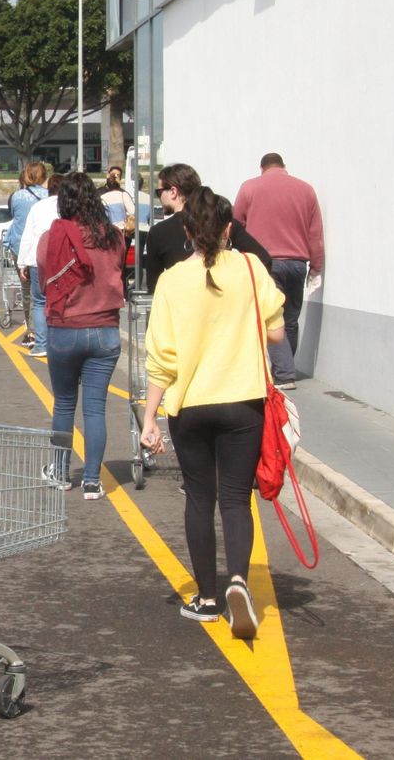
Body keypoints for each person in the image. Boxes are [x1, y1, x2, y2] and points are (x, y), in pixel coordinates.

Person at [140, 187, 286, 640]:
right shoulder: (249, 266)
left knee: (199, 498)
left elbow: (161, 357)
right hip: (242, 400)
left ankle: (205, 598)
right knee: (236, 498)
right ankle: (238, 582)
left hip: (191, 404)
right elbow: (277, 334)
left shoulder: (172, 280)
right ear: (228, 228)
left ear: (186, 231)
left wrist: (150, 418)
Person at [38, 174, 127, 499]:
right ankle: (92, 480)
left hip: (64, 328)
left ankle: (61, 473)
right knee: (95, 408)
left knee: (63, 404)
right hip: (104, 329)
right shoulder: (113, 237)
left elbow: (44, 277)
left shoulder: (53, 237)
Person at [233, 152, 323, 388]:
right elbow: (315, 231)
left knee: (273, 316)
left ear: (261, 168)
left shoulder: (249, 188)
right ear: (284, 166)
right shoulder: (306, 190)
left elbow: (234, 224)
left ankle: (284, 375)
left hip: (266, 262)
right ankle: (286, 367)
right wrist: (317, 265)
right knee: (290, 319)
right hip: (297, 263)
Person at [143, 163, 272, 290]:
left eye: (159, 192)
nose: (159, 197)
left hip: (184, 305)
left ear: (173, 191)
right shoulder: (223, 221)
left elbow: (154, 285)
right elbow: (264, 260)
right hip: (224, 300)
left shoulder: (158, 232)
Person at [14, 174, 62, 357]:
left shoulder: (37, 207)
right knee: (60, 300)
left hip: (37, 260)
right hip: (61, 259)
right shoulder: (67, 206)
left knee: (40, 301)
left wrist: (22, 263)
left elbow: (28, 236)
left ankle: (41, 344)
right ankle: (59, 343)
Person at [3, 162, 50, 345]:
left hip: (19, 246)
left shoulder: (16, 196)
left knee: (27, 290)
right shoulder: (50, 196)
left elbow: (14, 215)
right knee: (45, 291)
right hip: (44, 247)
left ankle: (30, 331)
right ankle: (43, 329)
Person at [100, 165, 136, 234]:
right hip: (120, 231)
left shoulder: (102, 197)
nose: (115, 177)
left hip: (107, 231)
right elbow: (132, 211)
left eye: (117, 175)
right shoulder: (123, 195)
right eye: (114, 175)